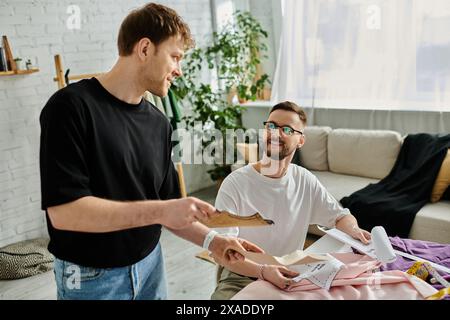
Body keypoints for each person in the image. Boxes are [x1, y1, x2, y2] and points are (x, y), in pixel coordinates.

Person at [39, 3, 262, 300]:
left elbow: (170, 207)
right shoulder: (70, 108)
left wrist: (214, 241)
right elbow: (66, 214)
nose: (179, 70)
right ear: (144, 49)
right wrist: (163, 210)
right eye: (175, 57)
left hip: (150, 267)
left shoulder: (159, 123)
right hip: (91, 278)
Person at [210, 101, 372, 300]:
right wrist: (263, 270)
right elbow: (222, 250)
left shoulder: (305, 180)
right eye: (271, 126)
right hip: (243, 274)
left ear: (301, 140)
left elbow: (339, 217)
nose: (276, 133)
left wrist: (354, 230)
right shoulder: (235, 184)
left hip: (292, 274)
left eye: (286, 129)